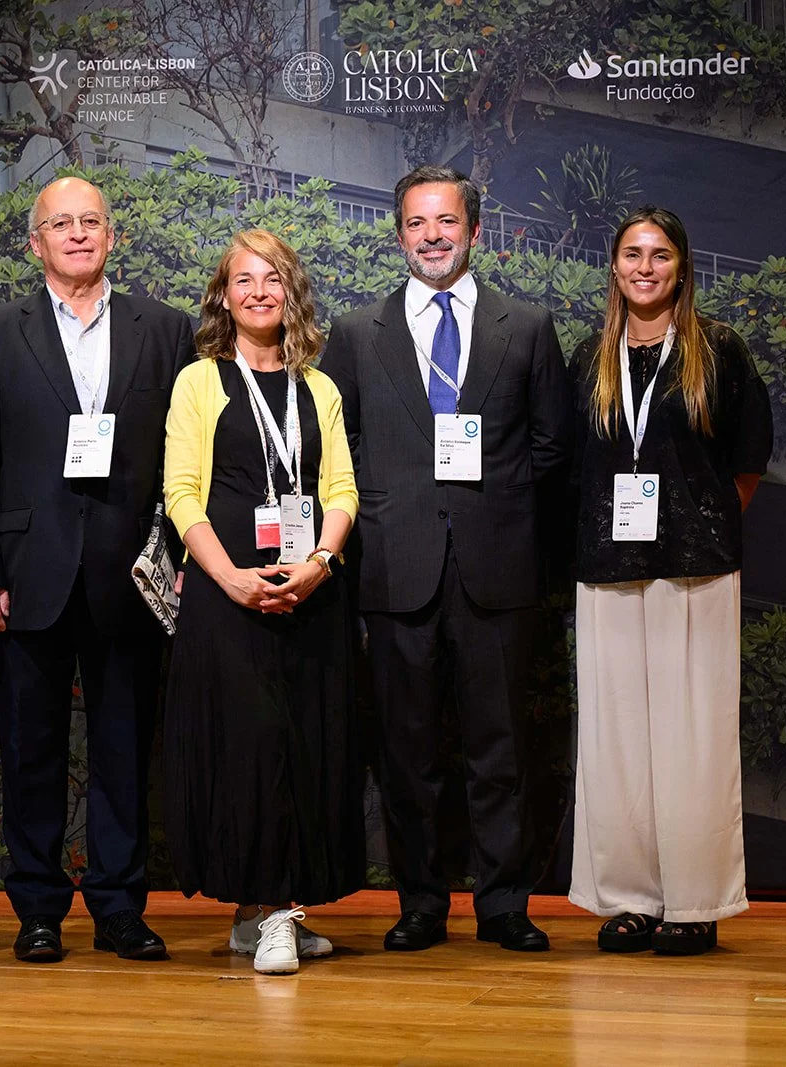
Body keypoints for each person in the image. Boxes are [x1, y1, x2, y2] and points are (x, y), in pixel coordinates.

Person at [319, 164, 574, 953]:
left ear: (474, 229)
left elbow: (552, 446)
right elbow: (337, 442)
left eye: (446, 221)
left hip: (497, 569)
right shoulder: (358, 333)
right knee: (407, 752)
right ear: (399, 234)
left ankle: (503, 902)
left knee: (501, 748)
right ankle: (421, 900)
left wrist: (492, 508)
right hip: (395, 568)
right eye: (417, 223)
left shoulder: (524, 326)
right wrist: (390, 511)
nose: (432, 235)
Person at [0, 176, 196, 963]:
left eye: (90, 221)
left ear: (112, 236)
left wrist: (176, 562)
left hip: (131, 569)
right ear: (36, 243)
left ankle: (119, 905)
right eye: (59, 224)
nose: (76, 234)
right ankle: (36, 908)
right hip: (27, 569)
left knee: (124, 746)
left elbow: (182, 460)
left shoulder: (164, 329)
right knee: (28, 748)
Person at [569, 206, 772, 956]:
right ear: (615, 267)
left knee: (693, 738)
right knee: (618, 740)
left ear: (682, 267)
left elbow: (748, 460)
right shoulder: (591, 356)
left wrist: (703, 521)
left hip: (697, 567)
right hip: (608, 567)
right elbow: (575, 468)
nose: (645, 267)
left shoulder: (718, 350)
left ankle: (693, 902)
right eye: (632, 254)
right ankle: (631, 901)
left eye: (659, 255)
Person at [161, 230, 363, 975]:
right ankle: (269, 910)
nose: (257, 290)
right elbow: (181, 492)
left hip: (309, 594)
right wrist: (229, 577)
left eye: (271, 277)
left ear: (291, 291)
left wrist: (318, 563)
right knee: (250, 750)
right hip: (228, 597)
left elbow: (341, 490)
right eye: (242, 279)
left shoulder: (320, 387)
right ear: (223, 295)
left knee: (301, 746)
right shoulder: (198, 381)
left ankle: (268, 911)